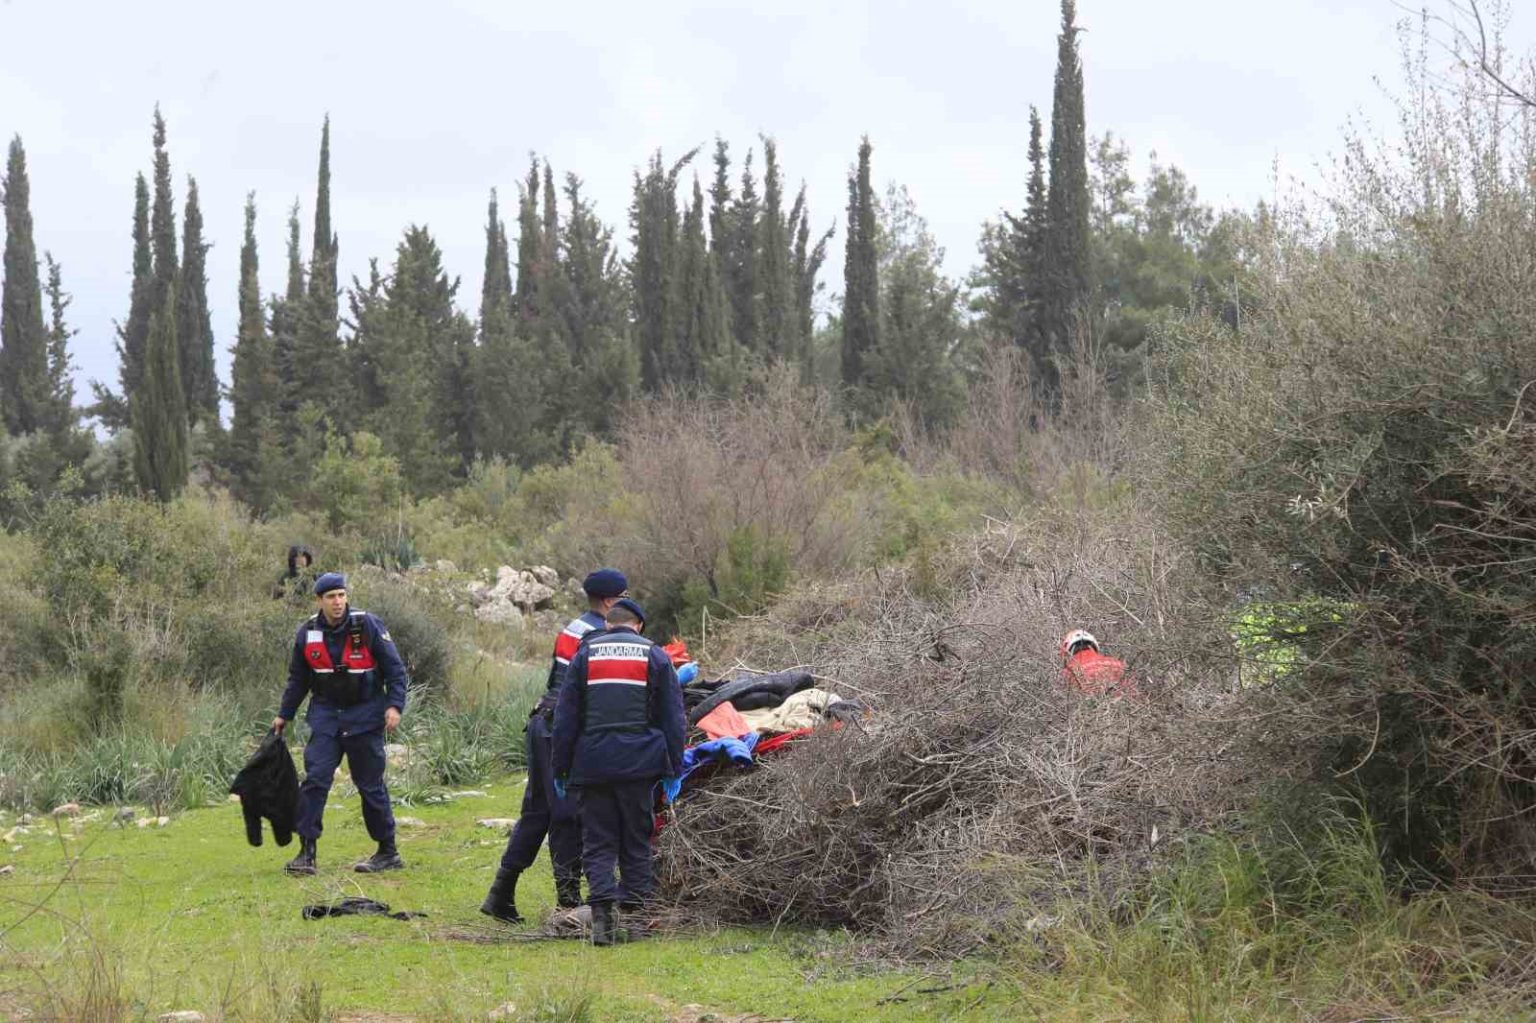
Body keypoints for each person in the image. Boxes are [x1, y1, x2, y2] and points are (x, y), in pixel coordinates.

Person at [479, 568, 629, 923]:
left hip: (542, 722)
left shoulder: (574, 627)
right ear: (610, 601)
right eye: (624, 598)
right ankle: (567, 900)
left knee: (538, 812)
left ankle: (500, 894)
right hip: (559, 727)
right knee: (566, 812)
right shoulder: (597, 634)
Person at [552, 597, 686, 946]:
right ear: (638, 625)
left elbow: (565, 717)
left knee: (597, 841)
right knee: (636, 840)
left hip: (592, 764)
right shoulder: (655, 655)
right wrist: (674, 767)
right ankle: (636, 921)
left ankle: (602, 923)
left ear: (607, 623)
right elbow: (673, 718)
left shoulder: (585, 655)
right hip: (640, 766)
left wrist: (560, 767)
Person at [272, 572, 410, 875]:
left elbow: (396, 670)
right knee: (315, 780)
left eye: (341, 595)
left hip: (365, 716)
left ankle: (387, 852)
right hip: (326, 717)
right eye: (331, 597)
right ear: (319, 600)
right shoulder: (307, 633)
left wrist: (394, 706)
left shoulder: (367, 624)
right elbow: (298, 679)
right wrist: (285, 714)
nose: (338, 602)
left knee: (370, 785)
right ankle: (306, 854)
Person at [1059, 628, 1138, 698]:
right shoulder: (1116, 664)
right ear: (1094, 645)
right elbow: (1133, 693)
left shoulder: (1068, 673)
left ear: (1067, 652)